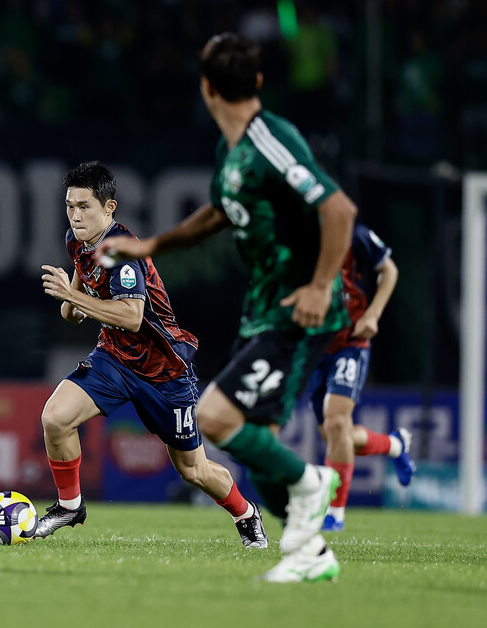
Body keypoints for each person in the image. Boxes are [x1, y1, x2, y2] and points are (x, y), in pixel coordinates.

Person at [97, 33, 358, 583]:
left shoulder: (269, 140)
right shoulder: (232, 151)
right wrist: (151, 246)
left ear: (206, 88)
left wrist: (319, 287)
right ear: (257, 81)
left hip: (298, 311)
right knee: (256, 449)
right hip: (263, 311)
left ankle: (312, 483)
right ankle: (310, 555)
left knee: (215, 417)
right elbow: (220, 212)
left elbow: (339, 210)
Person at [36, 161, 268, 550]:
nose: (75, 216)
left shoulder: (122, 251)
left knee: (193, 470)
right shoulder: (77, 241)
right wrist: (69, 297)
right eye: (70, 206)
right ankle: (69, 506)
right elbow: (73, 313)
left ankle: (246, 514)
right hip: (113, 358)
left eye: (84, 207)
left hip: (165, 370)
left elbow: (131, 316)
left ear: (109, 208)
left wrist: (72, 296)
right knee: (55, 419)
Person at [304, 224, 415, 532]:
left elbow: (389, 270)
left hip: (350, 343)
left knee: (337, 423)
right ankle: (394, 445)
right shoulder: (292, 238)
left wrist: (373, 314)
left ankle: (334, 514)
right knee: (337, 436)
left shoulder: (352, 234)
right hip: (313, 349)